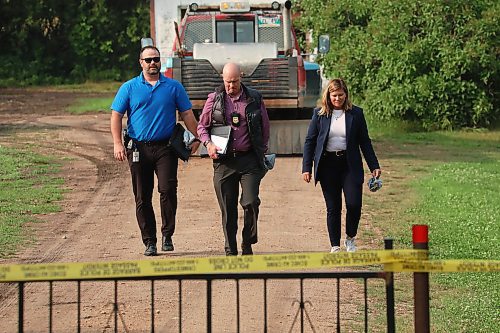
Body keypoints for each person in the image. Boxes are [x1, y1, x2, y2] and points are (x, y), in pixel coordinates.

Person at [110, 45, 200, 256]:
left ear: (160, 61)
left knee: (167, 190)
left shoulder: (173, 87)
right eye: (148, 60)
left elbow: (187, 114)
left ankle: (167, 234)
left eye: (156, 59)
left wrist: (197, 138)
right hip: (138, 149)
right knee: (142, 196)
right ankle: (149, 241)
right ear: (140, 63)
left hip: (166, 148)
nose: (152, 63)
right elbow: (116, 116)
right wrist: (117, 143)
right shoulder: (129, 88)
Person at [197, 63, 270, 256]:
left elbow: (264, 125)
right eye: (228, 82)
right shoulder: (214, 100)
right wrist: (208, 144)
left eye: (235, 81)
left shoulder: (254, 98)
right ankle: (230, 250)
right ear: (222, 78)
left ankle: (248, 241)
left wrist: (263, 148)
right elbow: (201, 128)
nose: (231, 86)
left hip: (249, 161)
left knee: (251, 202)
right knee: (228, 210)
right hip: (224, 162)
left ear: (241, 77)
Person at [302, 78, 381, 253]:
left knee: (354, 204)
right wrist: (306, 167)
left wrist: (373, 165)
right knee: (333, 206)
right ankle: (335, 245)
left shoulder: (356, 114)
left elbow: (364, 142)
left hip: (349, 164)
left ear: (346, 95)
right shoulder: (320, 114)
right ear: (328, 96)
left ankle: (350, 238)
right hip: (328, 165)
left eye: (340, 95)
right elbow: (310, 141)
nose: (337, 99)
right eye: (334, 95)